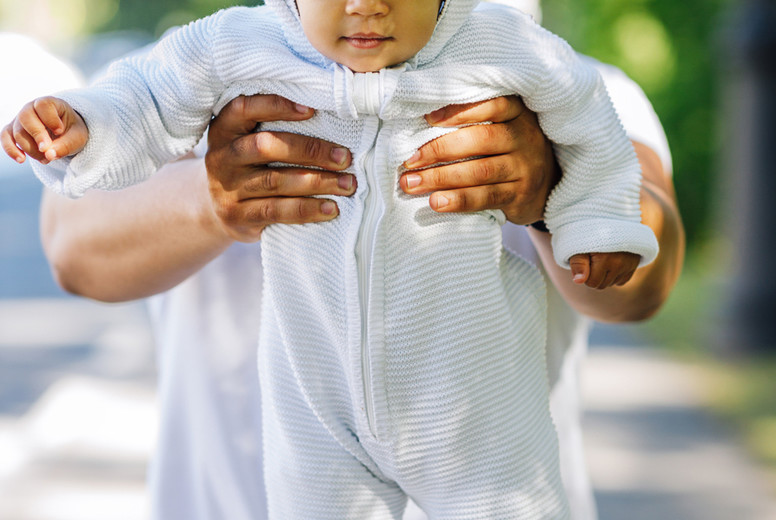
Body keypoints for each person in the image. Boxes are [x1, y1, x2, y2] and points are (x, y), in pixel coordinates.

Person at [6, 1, 683, 518]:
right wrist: (213, 194)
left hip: (481, 454)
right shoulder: (227, 57)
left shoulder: (545, 68)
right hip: (247, 486)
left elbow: (643, 272)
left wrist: (553, 193)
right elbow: (73, 246)